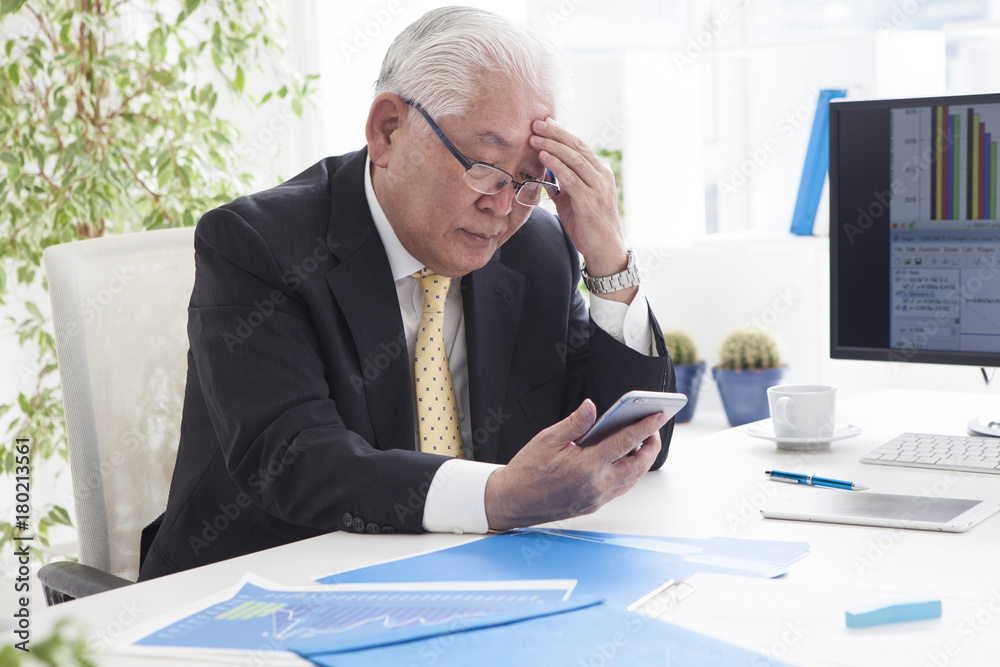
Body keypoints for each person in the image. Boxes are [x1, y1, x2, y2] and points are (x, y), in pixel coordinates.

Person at [138, 6, 675, 581]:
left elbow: (634, 444)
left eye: (529, 180)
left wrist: (608, 259)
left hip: (476, 582)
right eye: (486, 166)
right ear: (387, 130)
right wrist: (498, 496)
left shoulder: (538, 246)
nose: (503, 206)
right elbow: (296, 462)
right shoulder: (258, 245)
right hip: (263, 589)